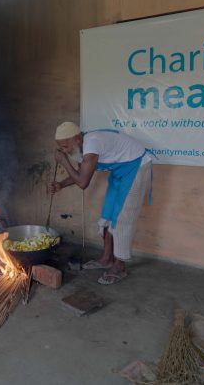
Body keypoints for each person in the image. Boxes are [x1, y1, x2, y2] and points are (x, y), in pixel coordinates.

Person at [48, 122, 152, 285]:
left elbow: (83, 182)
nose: (65, 151)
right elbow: (80, 174)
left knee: (122, 218)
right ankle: (106, 259)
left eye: (66, 146)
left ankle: (120, 266)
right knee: (108, 213)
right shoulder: (80, 149)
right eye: (61, 148)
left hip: (136, 167)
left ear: (77, 139)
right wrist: (61, 184)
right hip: (120, 172)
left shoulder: (92, 144)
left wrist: (64, 161)